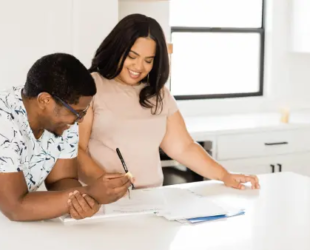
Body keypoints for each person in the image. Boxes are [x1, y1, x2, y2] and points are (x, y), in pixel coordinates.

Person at [76, 14, 260, 191]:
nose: (139, 67)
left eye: (148, 60)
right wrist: (104, 183)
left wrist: (224, 175)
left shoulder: (159, 94)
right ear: (117, 49)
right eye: (132, 57)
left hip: (152, 198)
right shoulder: (92, 87)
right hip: (103, 200)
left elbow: (184, 147)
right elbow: (78, 150)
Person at [0, 53, 132, 221]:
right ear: (44, 100)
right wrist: (91, 192)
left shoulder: (63, 121)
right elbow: (15, 208)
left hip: (8, 221)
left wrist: (81, 202)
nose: (79, 120)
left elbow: (62, 180)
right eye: (77, 113)